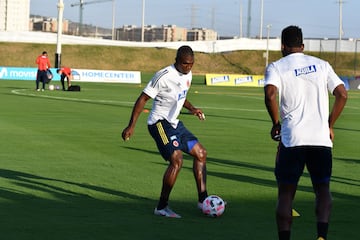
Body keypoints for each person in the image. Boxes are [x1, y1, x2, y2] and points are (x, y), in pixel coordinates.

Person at [264, 25, 347, 240]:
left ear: (282, 46)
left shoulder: (277, 66)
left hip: (293, 139)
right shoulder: (322, 65)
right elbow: (342, 95)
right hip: (321, 139)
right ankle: (321, 236)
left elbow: (271, 94)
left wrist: (275, 123)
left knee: (286, 194)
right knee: (322, 189)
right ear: (302, 46)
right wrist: (329, 124)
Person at [122, 45, 208, 218]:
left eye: (191, 64)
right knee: (177, 160)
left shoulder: (188, 74)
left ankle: (203, 200)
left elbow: (181, 96)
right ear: (176, 60)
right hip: (159, 124)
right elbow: (142, 99)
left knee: (201, 153)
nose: (188, 67)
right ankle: (162, 207)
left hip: (175, 124)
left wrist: (192, 108)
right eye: (185, 64)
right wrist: (131, 125)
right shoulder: (163, 76)